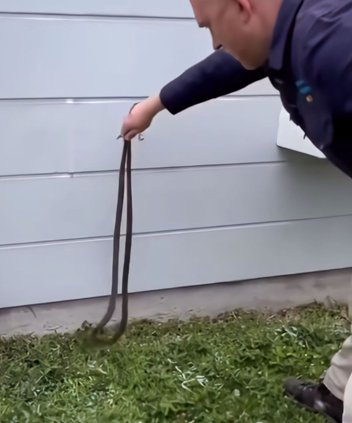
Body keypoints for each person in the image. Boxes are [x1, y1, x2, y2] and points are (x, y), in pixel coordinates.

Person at [120, 0, 352, 421]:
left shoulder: (335, 45)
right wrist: (154, 105)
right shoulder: (287, 34)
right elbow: (227, 66)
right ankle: (337, 392)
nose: (215, 42)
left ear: (244, 6)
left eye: (212, 27)